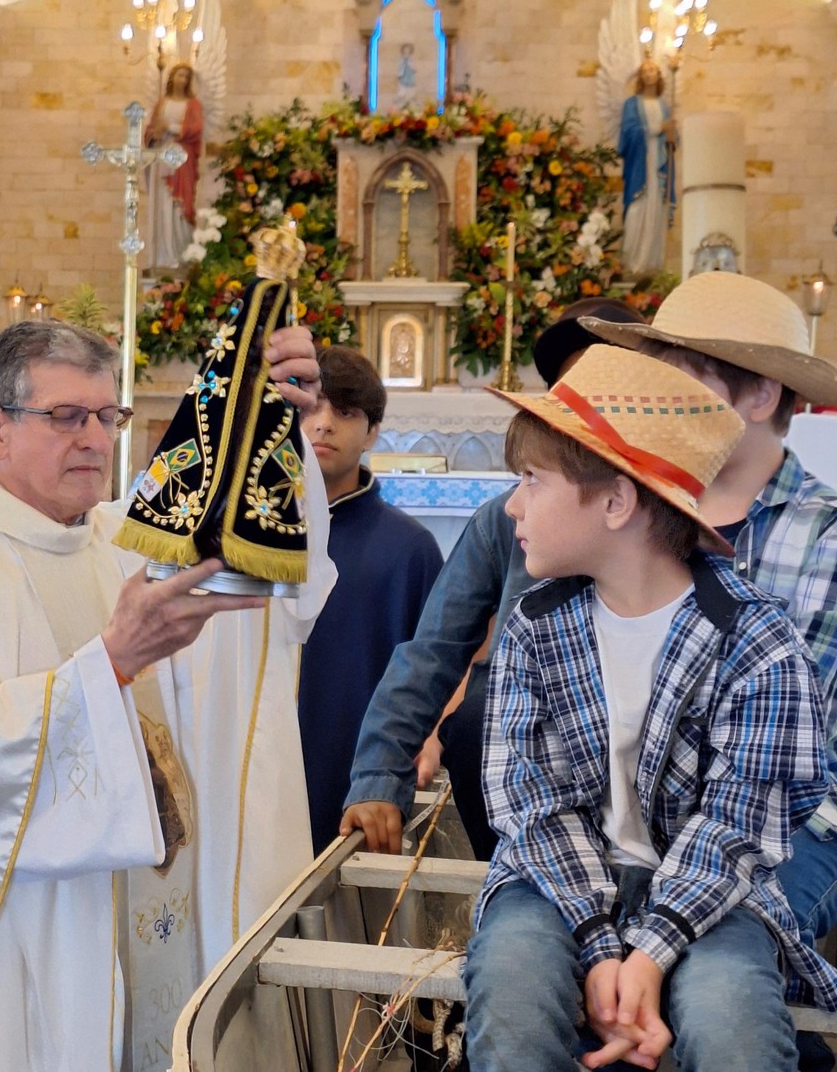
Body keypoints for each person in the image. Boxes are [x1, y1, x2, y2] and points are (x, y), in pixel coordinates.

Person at [0, 319, 334, 1072]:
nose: (95, 438)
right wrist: (110, 665)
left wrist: (268, 419)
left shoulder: (116, 539)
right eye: (66, 417)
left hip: (144, 924)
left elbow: (260, 563)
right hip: (25, 941)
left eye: (107, 416)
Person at [462, 342, 837, 1072]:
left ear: (616, 500)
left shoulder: (756, 639)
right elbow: (532, 805)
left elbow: (739, 822)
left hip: (711, 890)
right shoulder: (536, 627)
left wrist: (652, 951)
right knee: (511, 988)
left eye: (533, 480)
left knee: (733, 1022)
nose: (513, 504)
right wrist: (603, 947)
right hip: (559, 878)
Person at [581, 270, 837, 1072]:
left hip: (785, 827)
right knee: (555, 965)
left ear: (761, 395)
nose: (657, 399)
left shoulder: (825, 539)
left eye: (684, 378)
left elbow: (786, 753)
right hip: (631, 811)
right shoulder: (633, 512)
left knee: (715, 977)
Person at [342, 298, 647, 861]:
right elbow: (431, 651)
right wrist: (380, 776)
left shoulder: (671, 525)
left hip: (645, 796)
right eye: (572, 389)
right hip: (516, 780)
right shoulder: (503, 520)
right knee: (479, 717)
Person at [298, 346, 443, 854]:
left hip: (356, 761)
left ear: (374, 431)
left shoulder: (410, 547)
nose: (323, 425)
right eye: (310, 408)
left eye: (346, 412)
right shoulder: (257, 535)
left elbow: (440, 662)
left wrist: (425, 734)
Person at [619, 57, 675, 276]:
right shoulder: (631, 104)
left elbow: (672, 139)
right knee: (636, 210)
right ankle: (633, 262)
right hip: (639, 166)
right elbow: (628, 133)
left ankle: (652, 264)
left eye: (654, 70)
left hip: (659, 167)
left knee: (657, 210)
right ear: (640, 77)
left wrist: (672, 135)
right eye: (646, 70)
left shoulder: (664, 106)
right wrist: (656, 128)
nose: (650, 73)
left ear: (659, 76)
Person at [146, 61, 204, 269]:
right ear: (171, 77)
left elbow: (195, 129)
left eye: (186, 77)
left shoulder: (193, 104)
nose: (183, 80)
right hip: (161, 157)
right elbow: (151, 130)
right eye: (180, 75)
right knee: (163, 203)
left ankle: (179, 253)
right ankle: (163, 254)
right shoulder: (162, 103)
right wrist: (154, 133)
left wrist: (169, 127)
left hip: (182, 159)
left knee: (180, 204)